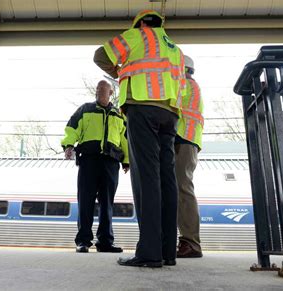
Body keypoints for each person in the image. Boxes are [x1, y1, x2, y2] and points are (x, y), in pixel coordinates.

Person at [94, 10, 186, 267]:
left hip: (142, 107)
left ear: (142, 24)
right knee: (167, 179)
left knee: (146, 177)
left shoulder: (138, 36)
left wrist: (118, 70)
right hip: (170, 114)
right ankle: (168, 251)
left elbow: (100, 55)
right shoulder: (175, 49)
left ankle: (149, 252)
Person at [61, 80, 129, 253]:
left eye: (103, 90)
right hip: (88, 160)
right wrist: (69, 145)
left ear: (111, 93)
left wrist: (127, 160)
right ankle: (83, 241)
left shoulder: (118, 114)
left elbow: (125, 139)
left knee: (107, 203)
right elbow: (72, 128)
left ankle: (105, 241)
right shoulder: (85, 109)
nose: (99, 92)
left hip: (110, 162)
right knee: (86, 201)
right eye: (98, 90)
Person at [175, 55, 204, 258]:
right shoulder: (190, 85)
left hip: (183, 139)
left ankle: (191, 243)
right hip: (184, 139)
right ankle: (186, 240)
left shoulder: (186, 85)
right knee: (179, 188)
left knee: (183, 188)